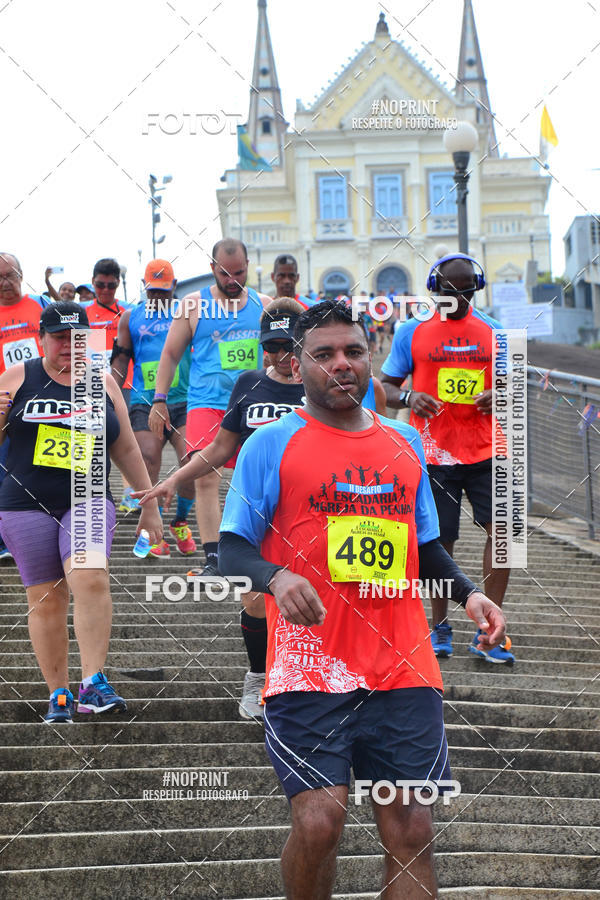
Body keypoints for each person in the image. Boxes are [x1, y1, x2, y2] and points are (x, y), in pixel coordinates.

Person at [217, 299, 506, 898]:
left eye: (353, 351)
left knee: (413, 827)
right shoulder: (269, 445)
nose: (341, 364)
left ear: (371, 357)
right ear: (299, 364)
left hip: (402, 665)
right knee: (320, 824)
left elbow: (424, 549)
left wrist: (470, 595)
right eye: (323, 354)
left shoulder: (404, 445)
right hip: (309, 667)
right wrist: (275, 577)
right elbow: (232, 550)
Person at [136, 298, 306, 719]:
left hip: (312, 510)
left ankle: (309, 679)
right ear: (262, 345)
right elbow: (219, 447)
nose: (283, 357)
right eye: (273, 347)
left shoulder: (321, 385)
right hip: (255, 509)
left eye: (290, 345)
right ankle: (257, 678)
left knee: (312, 598)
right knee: (253, 598)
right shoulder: (249, 383)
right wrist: (174, 478)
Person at [0, 301, 161, 723]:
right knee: (46, 599)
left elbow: (124, 445)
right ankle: (58, 695)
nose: (68, 348)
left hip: (88, 497)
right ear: (41, 340)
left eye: (77, 339)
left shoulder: (103, 382)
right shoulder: (17, 379)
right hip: (24, 502)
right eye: (58, 339)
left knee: (89, 576)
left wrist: (149, 503)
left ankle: (92, 682)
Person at [381, 253, 514, 664]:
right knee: (438, 541)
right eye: (449, 293)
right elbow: (383, 386)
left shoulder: (496, 332)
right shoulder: (410, 332)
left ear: (476, 291)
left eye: (465, 292)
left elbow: (516, 388)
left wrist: (499, 395)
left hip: (490, 448)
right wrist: (408, 397)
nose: (457, 300)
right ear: (433, 291)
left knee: (506, 537)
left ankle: (490, 627)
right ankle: (439, 625)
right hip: (433, 454)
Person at [149, 238, 270, 577]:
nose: (232, 281)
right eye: (225, 273)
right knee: (204, 477)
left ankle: (256, 549)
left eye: (240, 273)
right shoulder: (192, 306)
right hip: (206, 403)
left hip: (252, 404)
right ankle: (214, 558)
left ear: (249, 265)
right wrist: (159, 400)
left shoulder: (264, 304)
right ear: (212, 268)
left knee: (258, 480)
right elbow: (170, 355)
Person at [111, 260, 195, 556]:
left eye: (163, 291)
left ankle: (180, 521)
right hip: (144, 400)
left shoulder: (188, 312)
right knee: (147, 460)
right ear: (144, 288)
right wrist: (110, 391)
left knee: (192, 460)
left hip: (185, 398)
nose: (158, 297)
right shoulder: (130, 318)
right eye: (152, 292)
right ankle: (152, 529)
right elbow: (121, 360)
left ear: (174, 286)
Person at [0, 252, 50, 559]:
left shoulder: (41, 306)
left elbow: (75, 340)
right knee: (4, 471)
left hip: (44, 402)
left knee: (46, 467)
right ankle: (6, 541)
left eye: (10, 275)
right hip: (6, 406)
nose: (5, 282)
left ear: (21, 275)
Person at [85, 258, 136, 512]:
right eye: (100, 285)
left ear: (118, 284)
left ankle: (130, 494)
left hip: (123, 384)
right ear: (93, 282)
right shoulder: (81, 313)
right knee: (92, 440)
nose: (105, 290)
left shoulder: (128, 311)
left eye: (111, 286)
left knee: (127, 439)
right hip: (89, 385)